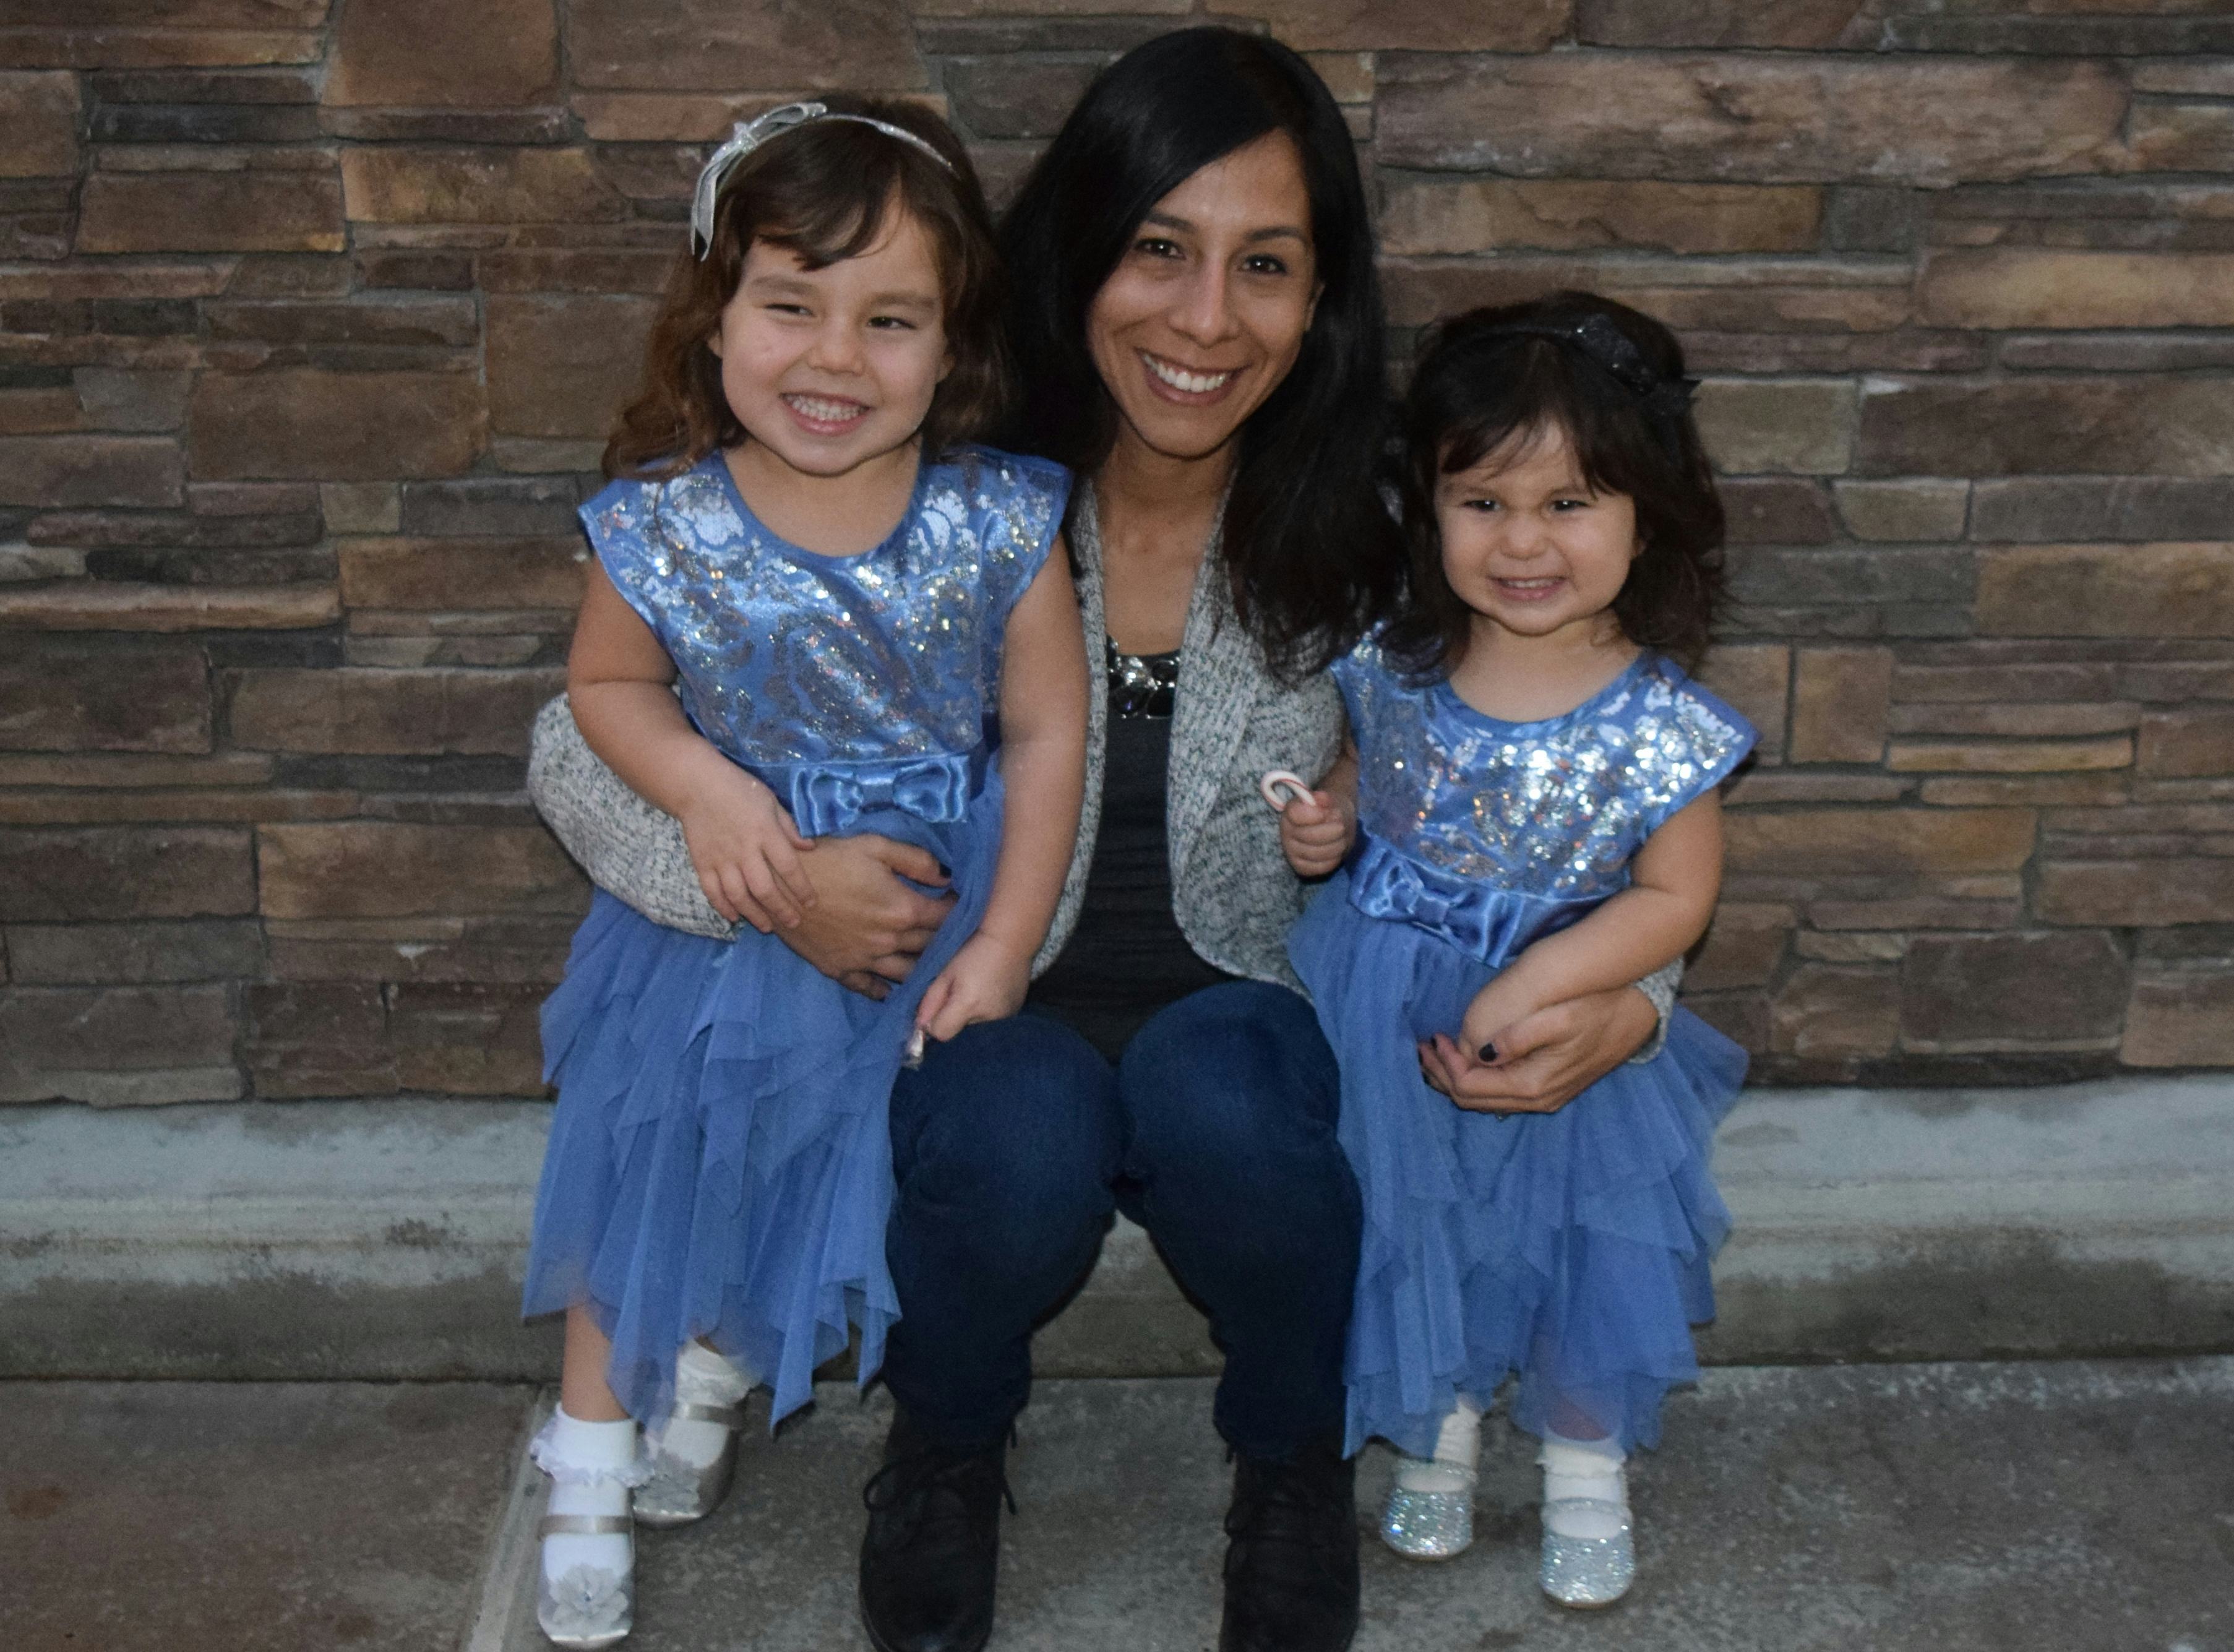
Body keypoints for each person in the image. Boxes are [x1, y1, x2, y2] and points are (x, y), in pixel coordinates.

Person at [526, 30, 1680, 1652]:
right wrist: (771, 888)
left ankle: (1288, 1467)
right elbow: (577, 738)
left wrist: (1636, 999)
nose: (1205, 319)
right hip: (967, 997)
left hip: (1253, 1007)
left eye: (1263, 264)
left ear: (1320, 296)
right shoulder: (917, 466)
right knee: (1014, 1121)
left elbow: (1564, 778)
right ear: (1074, 253)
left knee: (1232, 1098)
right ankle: (942, 1453)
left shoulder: (1389, 528)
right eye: (1158, 247)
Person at [518, 98, 1085, 1649]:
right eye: (791, 304)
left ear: (950, 345)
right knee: (658, 1164)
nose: (835, 357)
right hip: (728, 909)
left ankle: (713, 1374)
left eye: (889, 318)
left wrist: (1009, 938)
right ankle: (585, 1460)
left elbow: (1047, 732)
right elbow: (607, 688)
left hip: (926, 905)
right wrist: (705, 789)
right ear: (716, 318)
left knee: (826, 1164)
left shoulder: (999, 520)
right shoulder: (662, 525)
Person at [1278, 292, 1752, 1609]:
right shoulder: (1395, 665)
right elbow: (1365, 780)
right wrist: (1327, 825)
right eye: (1482, 502)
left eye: (1569, 503)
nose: (1523, 540)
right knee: (1414, 1221)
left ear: (1644, 515)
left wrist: (1541, 978)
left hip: (1561, 1012)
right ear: (1426, 510)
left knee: (1574, 1250)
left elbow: (1675, 899)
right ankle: (1435, 1428)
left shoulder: (1658, 722)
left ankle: (1585, 1464)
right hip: (1387, 1004)